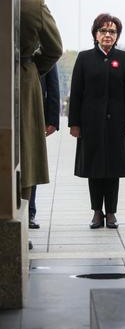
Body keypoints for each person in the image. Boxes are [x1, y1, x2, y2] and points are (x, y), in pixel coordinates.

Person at [68, 14, 125, 229]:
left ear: (117, 36)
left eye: (112, 31)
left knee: (113, 169)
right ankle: (97, 212)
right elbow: (77, 92)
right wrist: (75, 123)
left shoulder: (124, 59)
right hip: (91, 123)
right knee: (94, 169)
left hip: (117, 123)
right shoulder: (84, 58)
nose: (108, 35)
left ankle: (111, 213)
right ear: (95, 34)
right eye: (103, 30)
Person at [19, 0, 63, 213]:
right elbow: (54, 48)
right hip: (22, 82)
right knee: (24, 152)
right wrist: (30, 69)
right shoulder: (31, 5)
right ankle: (21, 220)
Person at [29, 64, 61, 229]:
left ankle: (29, 213)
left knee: (31, 162)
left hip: (34, 112)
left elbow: (53, 86)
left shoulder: (40, 46)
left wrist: (52, 119)